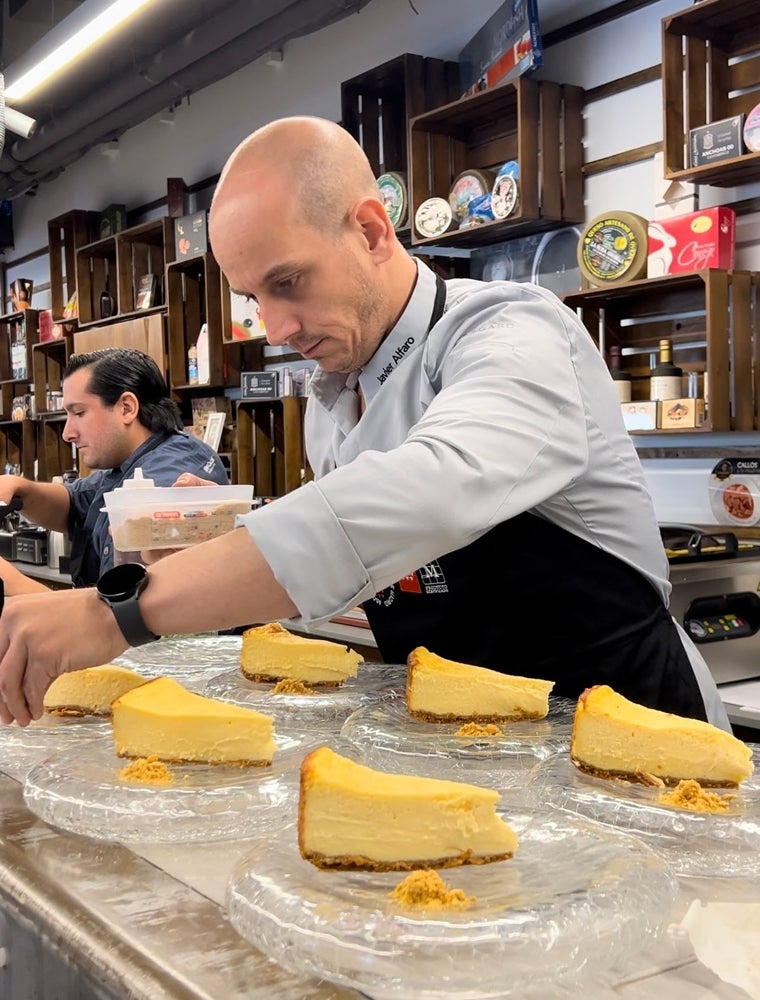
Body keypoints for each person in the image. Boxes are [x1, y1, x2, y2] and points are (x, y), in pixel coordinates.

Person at [0, 117, 729, 731]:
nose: (277, 327)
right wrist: (211, 557)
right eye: (256, 297)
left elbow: (433, 490)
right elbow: (371, 567)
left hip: (641, 726)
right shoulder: (333, 402)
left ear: (372, 229)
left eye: (288, 282)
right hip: (479, 741)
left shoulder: (511, 330)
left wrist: (119, 612)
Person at [0, 347, 228, 593]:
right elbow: (75, 501)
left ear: (127, 408)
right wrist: (20, 490)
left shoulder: (164, 481)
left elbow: (119, 616)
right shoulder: (134, 462)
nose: (67, 434)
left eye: (79, 413)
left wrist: (12, 584)